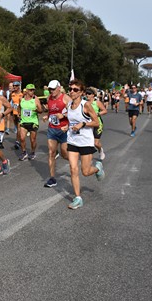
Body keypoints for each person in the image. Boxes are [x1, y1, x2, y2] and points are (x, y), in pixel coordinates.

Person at [66, 80, 105, 210]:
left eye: (75, 90)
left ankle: (98, 168)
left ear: (81, 92)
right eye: (70, 89)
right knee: (73, 169)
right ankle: (78, 198)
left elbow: (96, 123)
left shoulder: (86, 105)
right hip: (72, 141)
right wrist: (67, 127)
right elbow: (71, 122)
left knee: (86, 171)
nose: (72, 91)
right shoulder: (69, 105)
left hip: (85, 142)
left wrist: (83, 124)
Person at [42, 80, 71, 188]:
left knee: (64, 154)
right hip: (52, 129)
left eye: (53, 89)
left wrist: (63, 116)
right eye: (50, 89)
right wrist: (47, 116)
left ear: (59, 88)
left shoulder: (66, 98)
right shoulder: (49, 98)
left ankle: (74, 163)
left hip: (64, 130)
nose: (51, 91)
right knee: (51, 153)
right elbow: (51, 111)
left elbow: (74, 113)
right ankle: (52, 178)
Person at [18, 84, 43, 161]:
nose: (32, 91)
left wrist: (36, 110)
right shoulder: (21, 98)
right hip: (24, 121)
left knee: (33, 140)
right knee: (22, 138)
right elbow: (19, 107)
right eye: (31, 90)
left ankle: (32, 152)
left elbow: (41, 110)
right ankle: (24, 152)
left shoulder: (35, 99)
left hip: (33, 122)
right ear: (27, 91)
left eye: (33, 90)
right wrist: (19, 114)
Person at [86, 87, 107, 159]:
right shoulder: (84, 103)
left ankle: (100, 150)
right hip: (89, 124)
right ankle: (88, 156)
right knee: (88, 141)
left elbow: (104, 111)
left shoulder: (97, 102)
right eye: (86, 94)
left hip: (98, 124)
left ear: (93, 95)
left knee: (96, 143)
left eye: (89, 94)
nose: (87, 95)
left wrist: (97, 114)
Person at [9, 81, 23, 149]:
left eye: (16, 86)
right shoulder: (12, 94)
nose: (14, 87)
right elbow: (9, 102)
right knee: (17, 128)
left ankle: (17, 141)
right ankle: (20, 139)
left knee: (19, 128)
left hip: (20, 114)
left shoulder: (22, 94)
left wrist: (20, 113)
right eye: (13, 86)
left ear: (19, 86)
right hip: (14, 113)